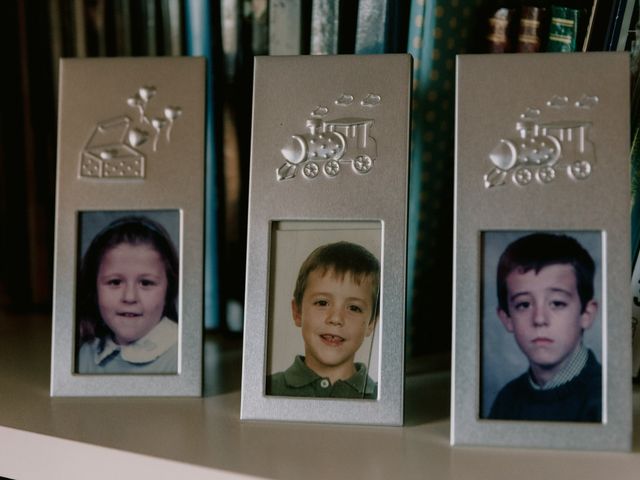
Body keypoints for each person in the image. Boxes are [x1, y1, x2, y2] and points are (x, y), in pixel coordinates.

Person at [488, 232, 601, 422]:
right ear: (507, 318)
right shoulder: (507, 400)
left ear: (586, 315)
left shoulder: (602, 400)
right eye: (523, 304)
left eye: (557, 303)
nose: (539, 319)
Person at [267, 241, 379, 399]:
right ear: (297, 312)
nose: (336, 319)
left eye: (354, 308)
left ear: (371, 323)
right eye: (322, 303)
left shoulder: (381, 399)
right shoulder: (266, 390)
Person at [76, 215, 179, 374]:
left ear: (169, 290)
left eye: (146, 283)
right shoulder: (84, 355)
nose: (130, 297)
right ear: (94, 289)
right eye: (115, 282)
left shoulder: (181, 356)